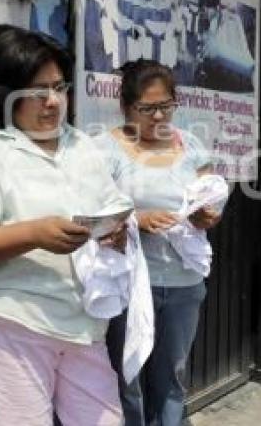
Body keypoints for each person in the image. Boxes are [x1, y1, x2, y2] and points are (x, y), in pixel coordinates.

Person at [0, 29, 133, 426]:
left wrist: (116, 232)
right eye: (36, 91)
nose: (52, 101)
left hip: (83, 321)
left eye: (59, 87)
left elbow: (115, 207)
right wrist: (34, 234)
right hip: (13, 319)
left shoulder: (82, 146)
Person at [96, 59, 222, 425]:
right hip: (129, 285)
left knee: (172, 380)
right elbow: (90, 212)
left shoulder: (190, 144)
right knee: (127, 379)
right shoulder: (105, 150)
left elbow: (210, 196)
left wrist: (205, 215)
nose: (158, 117)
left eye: (166, 106)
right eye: (147, 108)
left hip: (183, 284)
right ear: (125, 106)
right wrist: (137, 219)